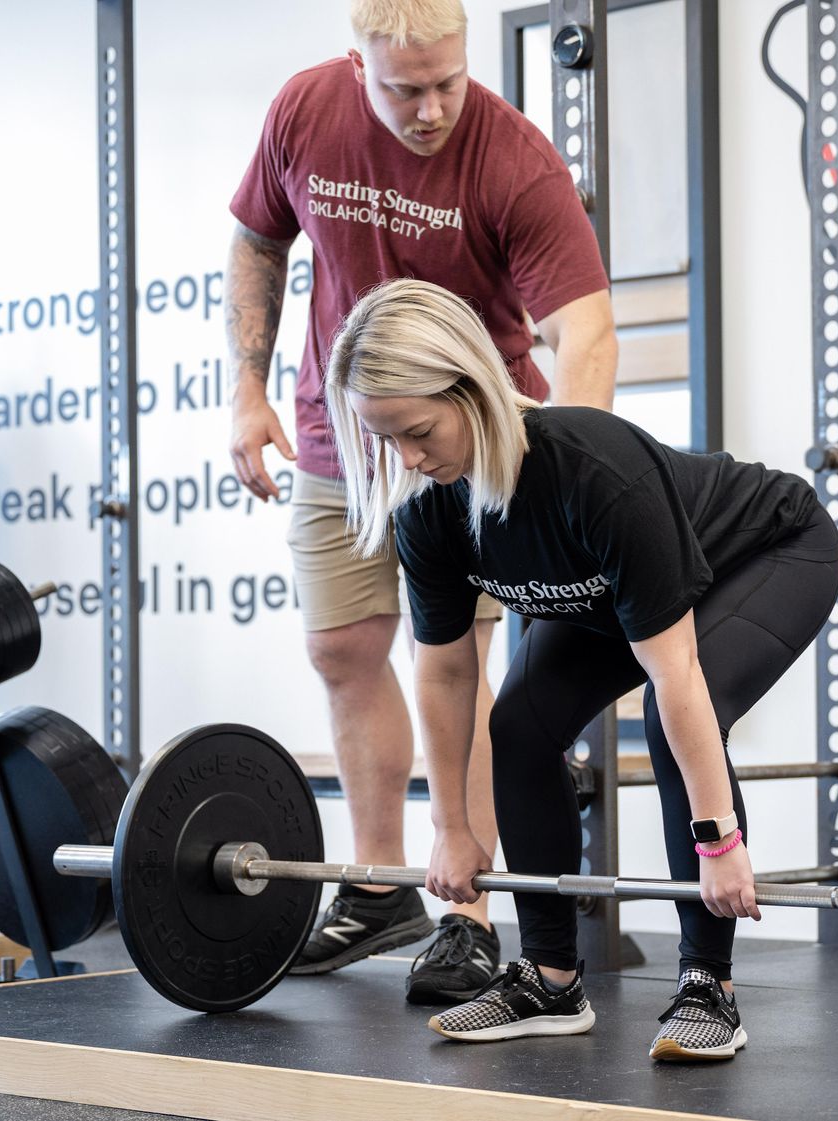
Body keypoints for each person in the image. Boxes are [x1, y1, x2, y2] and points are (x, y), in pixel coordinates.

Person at [324, 279, 838, 1062]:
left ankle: (710, 983)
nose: (409, 457)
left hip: (768, 552)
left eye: (419, 430)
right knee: (519, 728)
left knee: (676, 737)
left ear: (469, 388)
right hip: (607, 599)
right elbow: (446, 676)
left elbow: (675, 676)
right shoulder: (427, 512)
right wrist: (453, 828)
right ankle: (550, 976)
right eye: (386, 439)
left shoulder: (591, 470)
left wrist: (721, 841)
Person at [224, 0, 617, 1004]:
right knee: (342, 648)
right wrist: (249, 386)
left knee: (455, 659)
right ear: (358, 66)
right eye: (405, 88)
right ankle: (378, 885)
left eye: (449, 79)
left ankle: (469, 910)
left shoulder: (512, 158)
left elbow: (586, 326)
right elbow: (258, 239)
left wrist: (571, 467)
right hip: (336, 434)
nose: (433, 106)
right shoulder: (305, 113)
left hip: (461, 445)